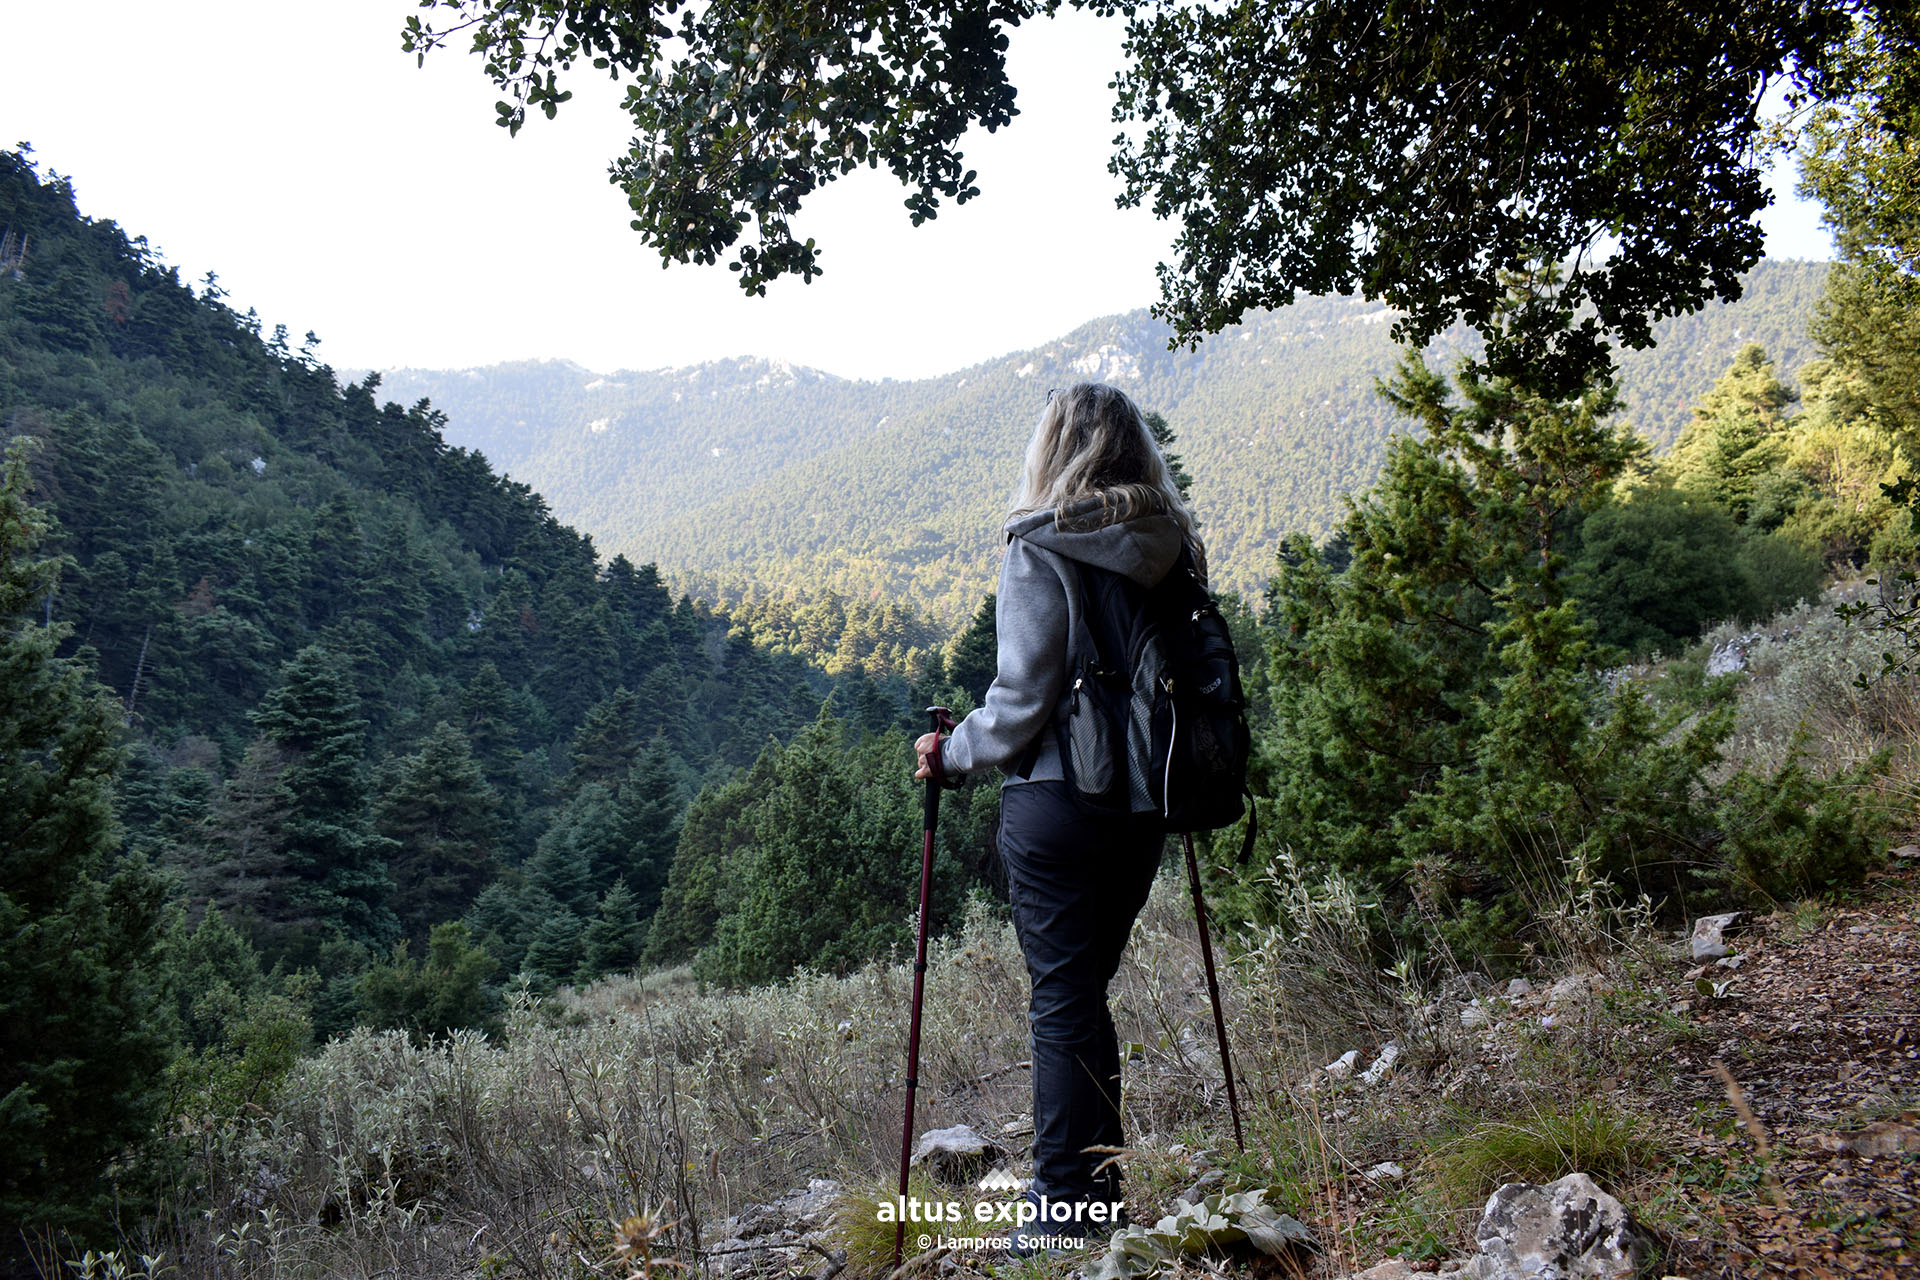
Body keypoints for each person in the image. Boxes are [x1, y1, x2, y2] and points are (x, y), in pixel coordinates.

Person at [913, 381, 1204, 1253]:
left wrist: (950, 752)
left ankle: (1062, 1214)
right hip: (1146, 804)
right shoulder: (1172, 543)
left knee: (1062, 1001)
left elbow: (1023, 698)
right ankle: (1094, 1193)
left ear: (1055, 450)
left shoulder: (1039, 542)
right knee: (1083, 994)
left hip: (1057, 801)